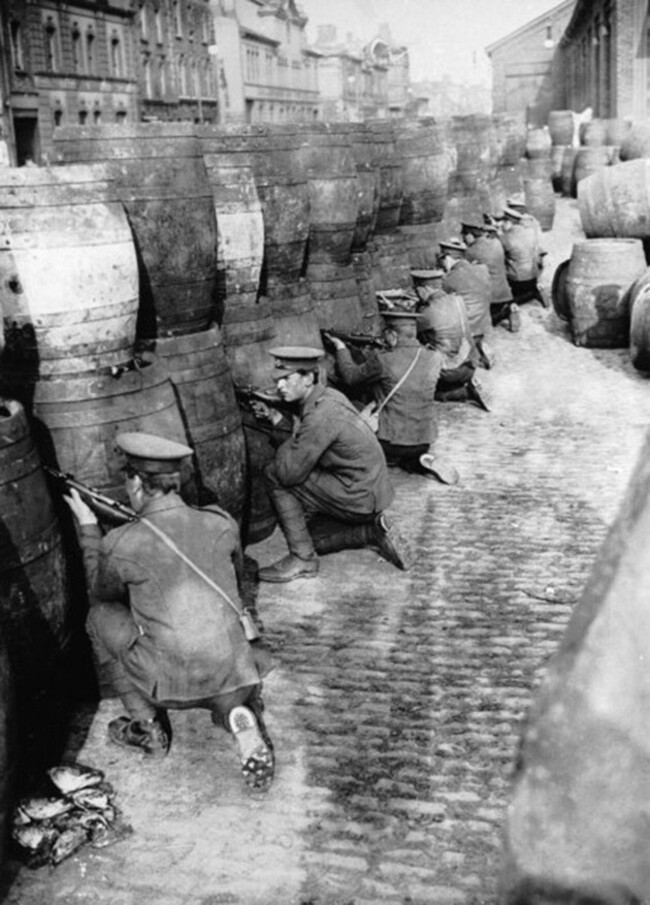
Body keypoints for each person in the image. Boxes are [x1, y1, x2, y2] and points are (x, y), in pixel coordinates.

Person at [65, 432, 275, 792]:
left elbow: (102, 593)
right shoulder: (220, 521)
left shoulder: (122, 542)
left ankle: (147, 730)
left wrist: (88, 529)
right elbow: (234, 584)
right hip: (236, 673)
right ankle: (236, 712)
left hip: (172, 687)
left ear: (135, 483)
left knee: (98, 619)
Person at [252, 346, 412, 583]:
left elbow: (289, 474)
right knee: (315, 537)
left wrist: (278, 422)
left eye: (286, 379)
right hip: (374, 488)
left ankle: (302, 560)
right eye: (278, 381)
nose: (280, 387)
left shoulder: (319, 417)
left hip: (358, 494)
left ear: (307, 378)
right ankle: (372, 531)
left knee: (274, 473)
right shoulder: (331, 396)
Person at [326, 309, 459, 484]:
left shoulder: (383, 359)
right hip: (424, 440)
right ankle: (416, 461)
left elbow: (351, 377)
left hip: (390, 444)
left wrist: (341, 348)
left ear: (392, 334)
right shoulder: (434, 357)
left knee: (354, 406)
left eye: (385, 333)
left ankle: (381, 459)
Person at [413, 270, 491, 413]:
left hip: (449, 372)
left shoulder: (428, 312)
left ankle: (463, 393)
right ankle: (463, 386)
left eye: (418, 291)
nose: (418, 295)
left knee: (419, 390)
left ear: (426, 289)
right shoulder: (458, 300)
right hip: (470, 366)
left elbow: (411, 329)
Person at [437, 237, 495, 369]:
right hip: (483, 325)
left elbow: (440, 299)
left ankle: (471, 357)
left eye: (442, 260)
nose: (442, 264)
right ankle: (478, 347)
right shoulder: (482, 269)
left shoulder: (451, 278)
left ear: (448, 258)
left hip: (466, 331)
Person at [462, 219, 520, 334]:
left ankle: (505, 312)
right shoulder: (496, 243)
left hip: (489, 297)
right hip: (504, 292)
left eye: (464, 235)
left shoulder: (471, 251)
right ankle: (509, 307)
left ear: (470, 235)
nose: (464, 238)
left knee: (480, 322)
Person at [499, 207, 547, 308]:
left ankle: (509, 302)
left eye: (503, 221)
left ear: (508, 222)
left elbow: (499, 259)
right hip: (533, 277)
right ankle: (535, 292)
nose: (501, 225)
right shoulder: (530, 232)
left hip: (517, 281)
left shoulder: (504, 238)